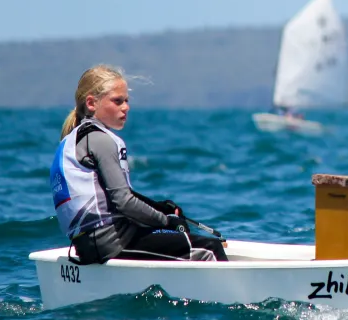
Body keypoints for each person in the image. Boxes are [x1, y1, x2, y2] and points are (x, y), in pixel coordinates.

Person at [50, 64, 228, 265]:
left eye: (126, 101)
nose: (126, 107)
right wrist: (168, 222)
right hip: (113, 242)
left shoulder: (71, 141)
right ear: (91, 103)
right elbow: (124, 202)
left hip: (88, 244)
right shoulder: (101, 140)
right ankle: (233, 298)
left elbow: (114, 197)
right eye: (117, 101)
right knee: (209, 247)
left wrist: (159, 208)